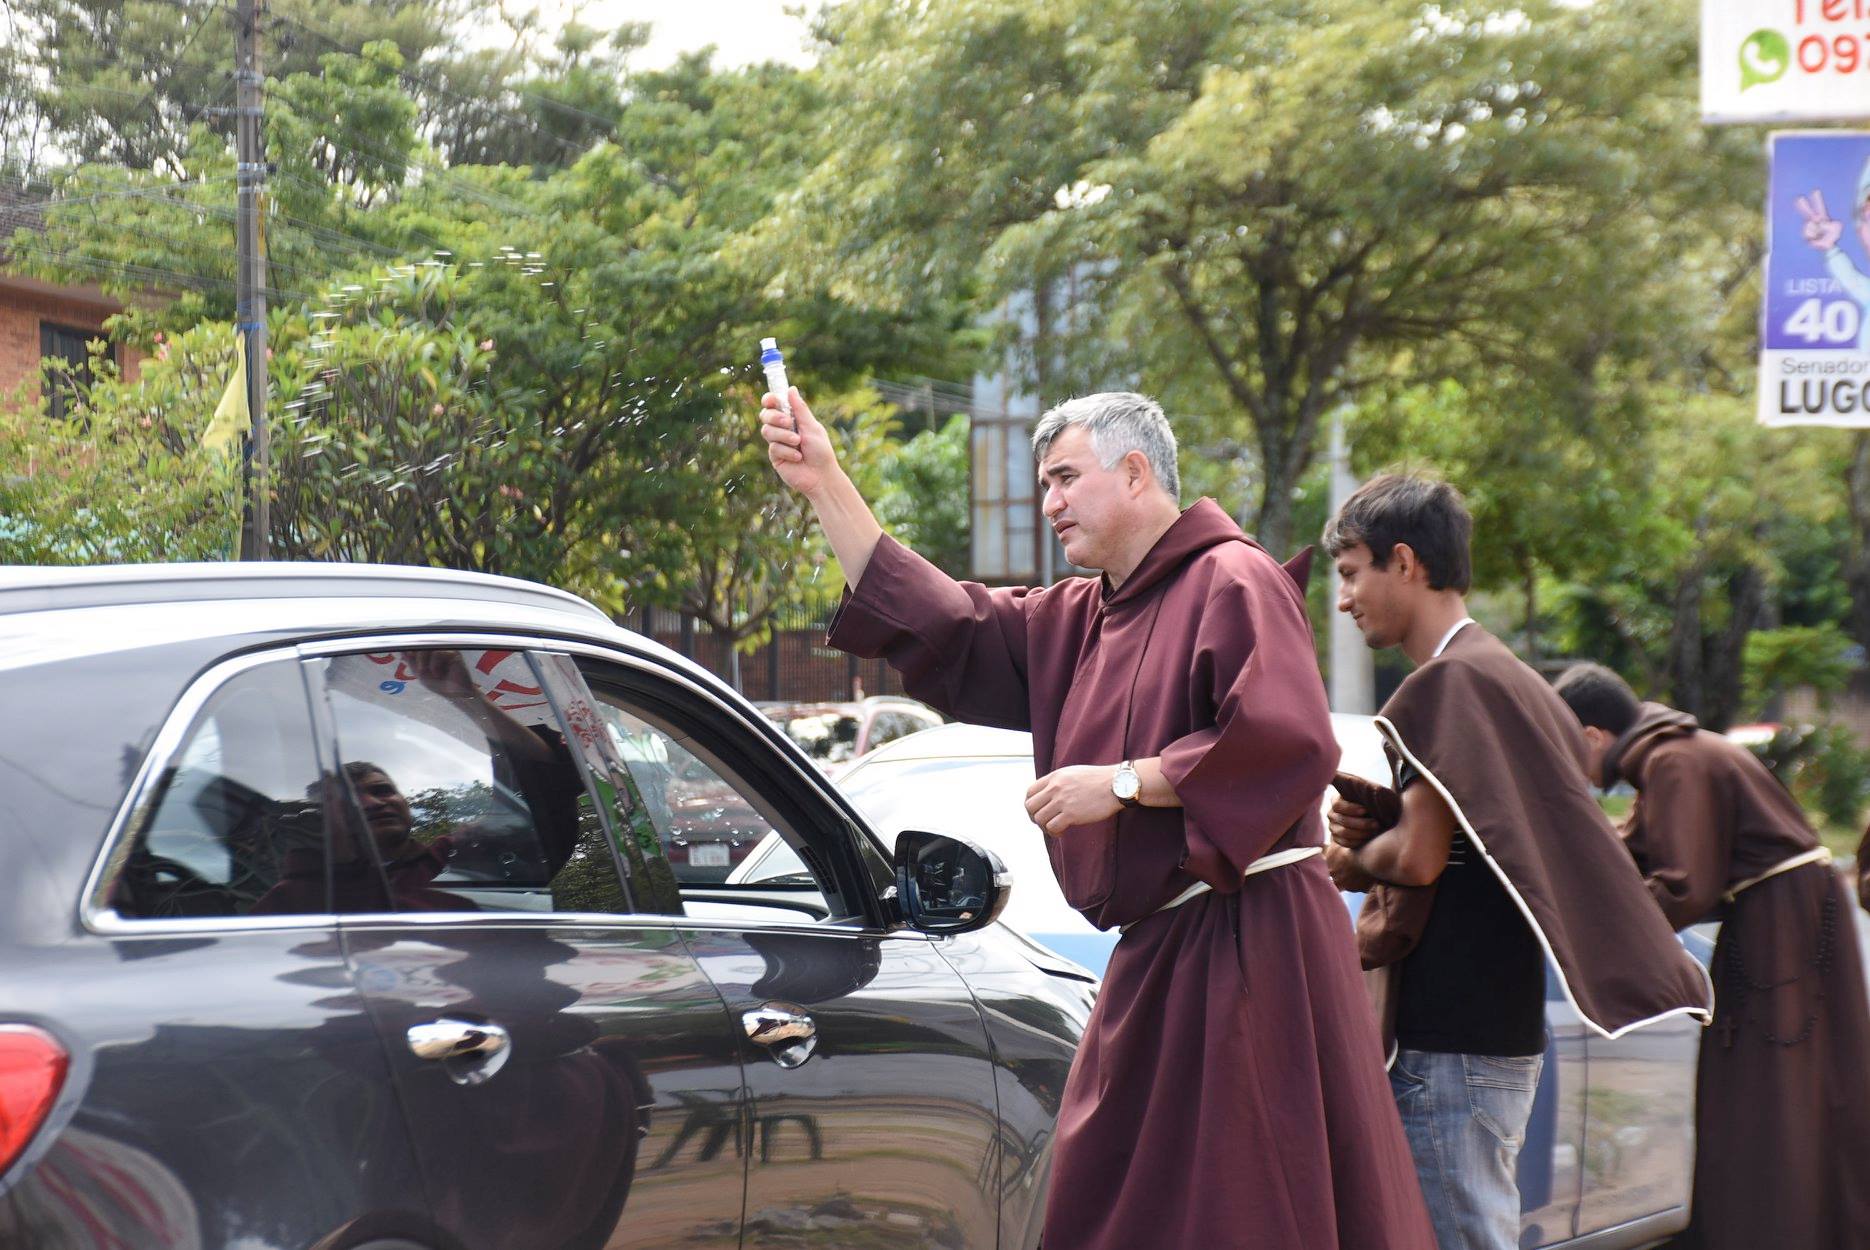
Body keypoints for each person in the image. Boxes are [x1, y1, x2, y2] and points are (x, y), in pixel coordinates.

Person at [760, 387, 1434, 1249]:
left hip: (1250, 947)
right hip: (1159, 954)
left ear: (1136, 471)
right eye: (1045, 485)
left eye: (1066, 478)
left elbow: (1286, 738)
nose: (1050, 505)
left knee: (1243, 1209)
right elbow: (946, 621)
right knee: (1114, 1201)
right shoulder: (1083, 616)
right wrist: (825, 483)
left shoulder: (1235, 576)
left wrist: (1121, 784)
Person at [1321, 474, 1712, 1250]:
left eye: (1351, 572)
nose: (1343, 599)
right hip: (1495, 1028)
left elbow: (1423, 858)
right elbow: (1474, 836)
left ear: (1404, 562)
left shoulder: (1447, 686)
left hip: (1449, 1038)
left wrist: (1349, 856)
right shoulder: (1514, 679)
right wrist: (1390, 820)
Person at [1553, 664, 1870, 1250]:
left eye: (1561, 745)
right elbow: (1638, 852)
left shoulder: (1674, 761)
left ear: (1591, 734)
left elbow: (1682, 884)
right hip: (1780, 918)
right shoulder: (1670, 759)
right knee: (1775, 1095)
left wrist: (1583, 926)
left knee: (1774, 1100)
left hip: (1785, 926)